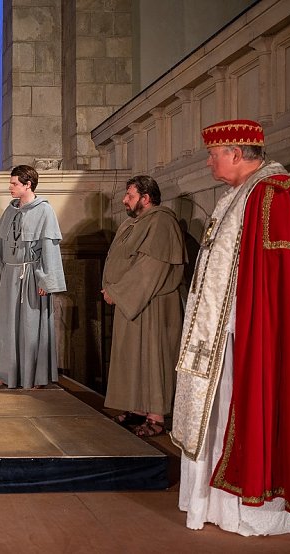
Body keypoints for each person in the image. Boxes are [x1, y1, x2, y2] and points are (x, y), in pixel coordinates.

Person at [171, 119, 290, 535]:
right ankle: (212, 502)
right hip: (219, 335)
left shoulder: (275, 195)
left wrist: (248, 325)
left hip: (249, 332)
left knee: (243, 407)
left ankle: (247, 508)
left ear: (235, 152)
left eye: (214, 154)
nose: (209, 162)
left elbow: (278, 279)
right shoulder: (237, 195)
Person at [101, 175, 186, 437]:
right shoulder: (132, 223)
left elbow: (151, 267)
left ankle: (155, 416)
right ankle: (136, 407)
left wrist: (119, 292)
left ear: (146, 198)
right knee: (132, 358)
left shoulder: (161, 222)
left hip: (152, 303)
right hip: (132, 302)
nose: (125, 200)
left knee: (151, 358)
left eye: (130, 195)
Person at [0, 165, 66, 389]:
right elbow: (1, 247)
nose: (10, 187)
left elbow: (49, 249)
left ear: (27, 184)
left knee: (32, 327)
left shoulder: (44, 211)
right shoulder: (10, 211)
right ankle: (6, 375)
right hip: (10, 274)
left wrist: (46, 281)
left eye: (14, 183)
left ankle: (35, 377)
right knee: (7, 327)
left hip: (32, 275)